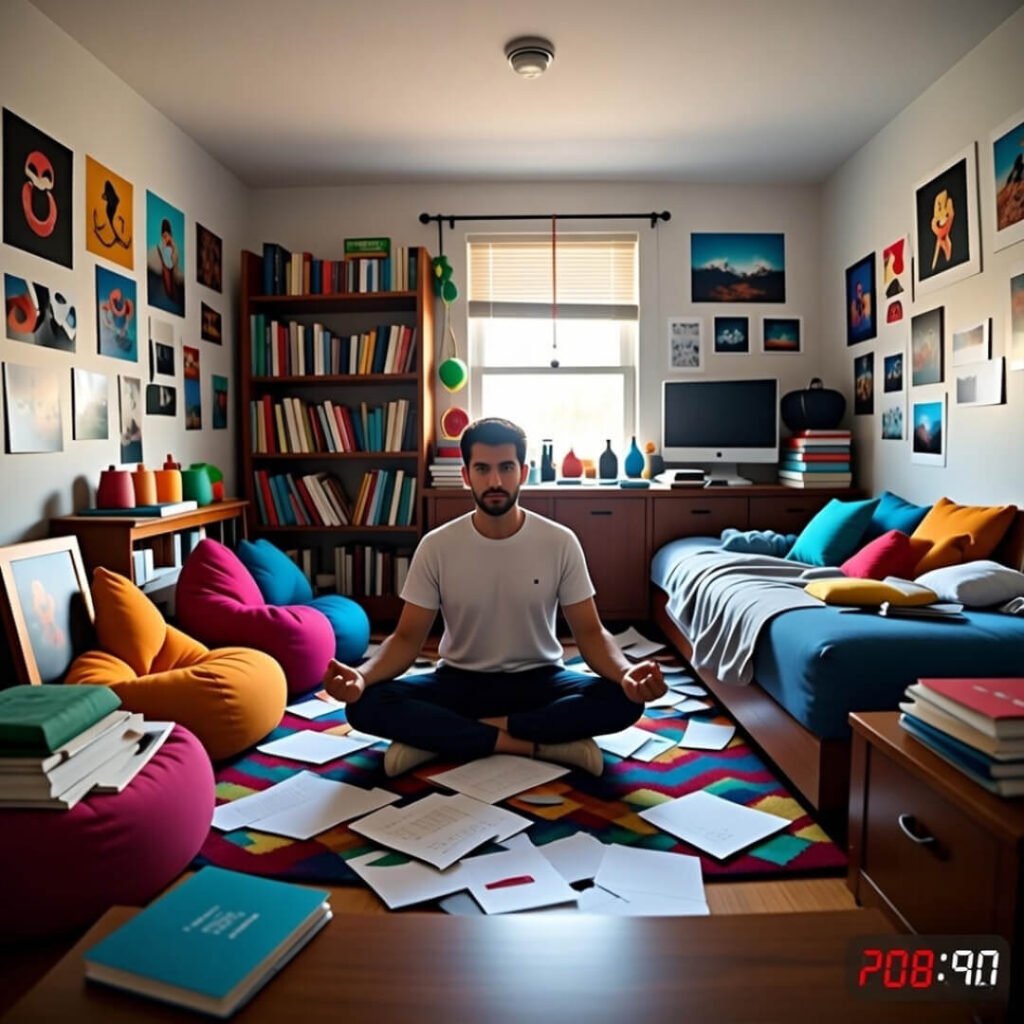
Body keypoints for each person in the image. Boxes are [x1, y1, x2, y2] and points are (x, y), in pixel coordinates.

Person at [323, 417, 666, 777]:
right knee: (364, 705)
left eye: (506, 468)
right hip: (459, 680)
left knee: (624, 702)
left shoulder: (560, 541)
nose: (495, 481)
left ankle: (442, 739)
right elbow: (407, 638)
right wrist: (361, 677)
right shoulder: (437, 546)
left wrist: (627, 674)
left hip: (541, 679)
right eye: (483, 469)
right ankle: (537, 743)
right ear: (466, 475)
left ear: (523, 471)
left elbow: (592, 634)